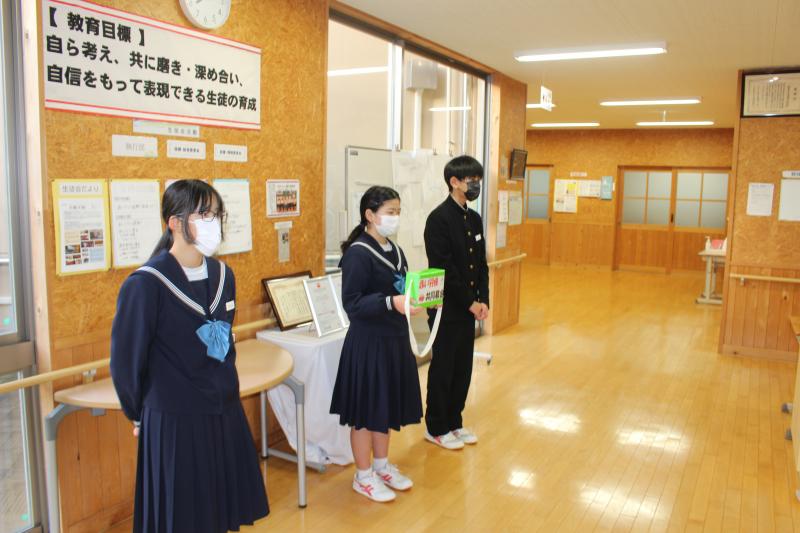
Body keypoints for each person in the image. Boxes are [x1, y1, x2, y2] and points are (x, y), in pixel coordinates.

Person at [110, 180, 268, 533]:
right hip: (175, 418)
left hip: (223, 410)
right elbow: (126, 362)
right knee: (182, 515)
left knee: (218, 509)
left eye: (217, 214)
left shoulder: (224, 275)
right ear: (174, 222)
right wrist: (138, 414)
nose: (213, 222)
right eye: (203, 214)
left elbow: (224, 342)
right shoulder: (145, 284)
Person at [330, 185, 423, 503]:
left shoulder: (396, 250)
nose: (395, 217)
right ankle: (363, 474)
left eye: (398, 211)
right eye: (389, 212)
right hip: (368, 345)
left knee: (384, 408)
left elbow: (404, 288)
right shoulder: (357, 253)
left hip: (394, 340)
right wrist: (390, 303)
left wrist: (417, 299)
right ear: (370, 215)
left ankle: (382, 466)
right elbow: (353, 304)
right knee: (365, 413)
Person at [423, 155, 489, 450]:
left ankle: (454, 421)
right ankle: (436, 426)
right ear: (454, 182)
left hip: (469, 308)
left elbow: (481, 264)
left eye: (478, 180)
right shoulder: (438, 219)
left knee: (463, 368)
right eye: (471, 180)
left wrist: (483, 299)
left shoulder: (473, 218)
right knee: (444, 368)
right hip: (447, 309)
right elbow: (445, 269)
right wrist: (469, 302)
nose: (476, 185)